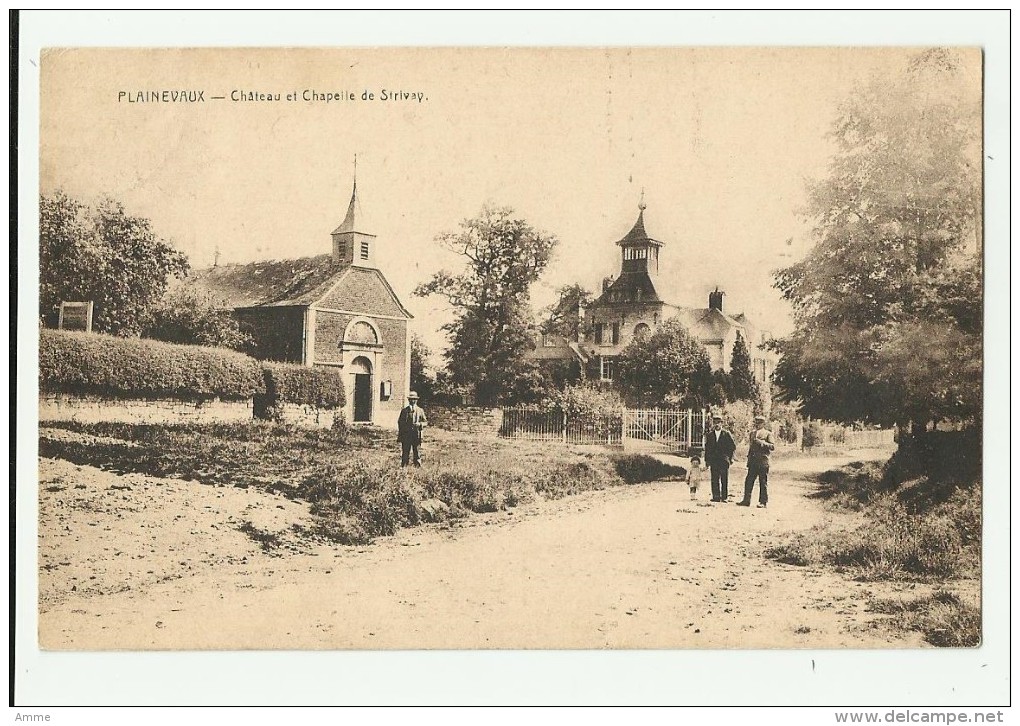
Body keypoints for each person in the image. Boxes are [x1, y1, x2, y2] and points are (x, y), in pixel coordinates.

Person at [738, 415, 775, 508]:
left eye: (760, 423)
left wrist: (761, 443)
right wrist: (748, 460)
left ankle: (763, 502)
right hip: (753, 461)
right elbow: (751, 448)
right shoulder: (752, 434)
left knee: (763, 482)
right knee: (749, 481)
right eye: (756, 423)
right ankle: (746, 500)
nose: (757, 424)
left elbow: (772, 446)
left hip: (763, 461)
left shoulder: (768, 434)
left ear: (763, 424)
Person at [704, 414, 736, 502]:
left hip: (724, 460)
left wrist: (730, 458)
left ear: (722, 423)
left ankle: (724, 497)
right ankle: (716, 496)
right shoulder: (710, 435)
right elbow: (707, 449)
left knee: (724, 478)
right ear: (713, 423)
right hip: (714, 460)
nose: (716, 424)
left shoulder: (726, 434)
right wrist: (707, 461)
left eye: (718, 422)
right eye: (715, 422)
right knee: (714, 478)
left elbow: (732, 446)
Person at [397, 391, 428, 467]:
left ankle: (417, 466)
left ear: (416, 400)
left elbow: (425, 422)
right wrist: (403, 431)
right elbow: (400, 422)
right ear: (409, 400)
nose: (413, 401)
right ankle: (404, 466)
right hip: (406, 435)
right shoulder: (404, 411)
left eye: (414, 399)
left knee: (417, 452)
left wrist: (420, 424)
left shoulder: (420, 410)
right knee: (405, 452)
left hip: (416, 435)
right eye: (411, 399)